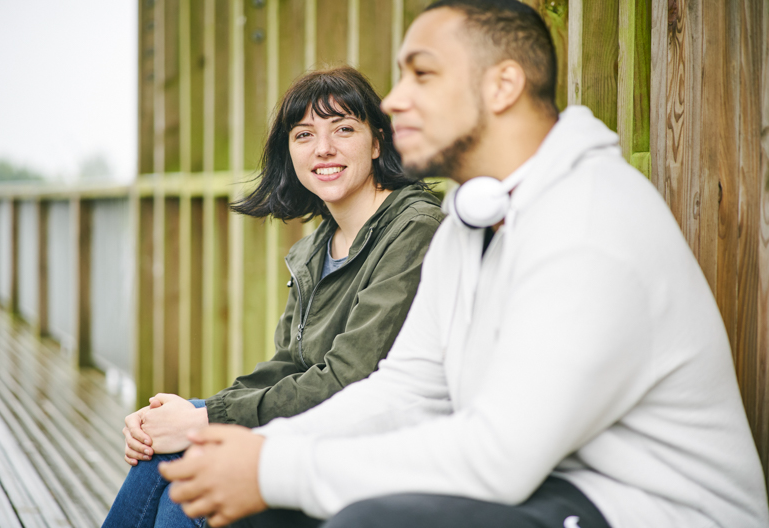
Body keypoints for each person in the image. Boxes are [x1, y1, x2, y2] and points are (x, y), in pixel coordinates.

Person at [159, 2, 769, 527]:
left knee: (368, 519)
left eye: (422, 74)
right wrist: (250, 447)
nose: (395, 101)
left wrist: (274, 466)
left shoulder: (588, 223)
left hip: (649, 510)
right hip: (555, 488)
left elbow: (497, 458)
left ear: (501, 85)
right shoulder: (474, 217)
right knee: (241, 494)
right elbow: (408, 389)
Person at [101, 66, 443, 528]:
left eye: (344, 128)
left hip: (379, 449)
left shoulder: (414, 230)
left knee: (192, 488)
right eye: (304, 134)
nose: (323, 148)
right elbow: (289, 366)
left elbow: (351, 376)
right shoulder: (315, 248)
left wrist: (205, 420)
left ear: (378, 141)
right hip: (317, 431)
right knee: (163, 456)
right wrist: (185, 415)